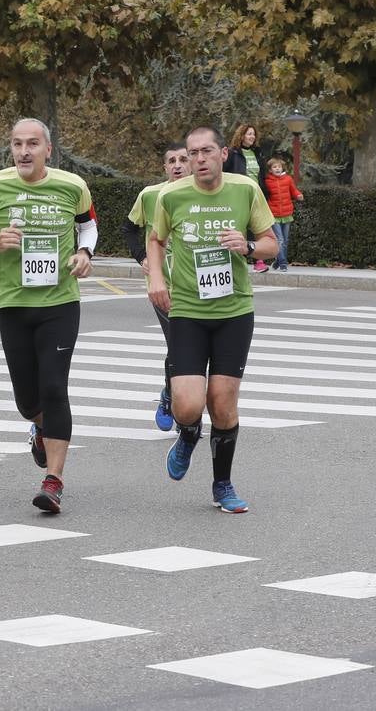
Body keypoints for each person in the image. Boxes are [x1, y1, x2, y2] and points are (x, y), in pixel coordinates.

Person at [0, 118, 97, 514]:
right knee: (27, 400)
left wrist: (84, 253)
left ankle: (53, 481)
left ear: (47, 149)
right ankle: (39, 428)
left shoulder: (72, 185)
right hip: (14, 303)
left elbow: (88, 226)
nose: (24, 151)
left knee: (54, 388)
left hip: (60, 302)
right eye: (17, 144)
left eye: (32, 144)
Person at [146, 125, 278, 514]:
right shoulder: (172, 195)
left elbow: (272, 244)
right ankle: (188, 435)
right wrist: (156, 277)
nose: (198, 159)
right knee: (187, 405)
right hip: (187, 309)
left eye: (206, 151)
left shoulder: (245, 190)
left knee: (222, 403)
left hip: (234, 311)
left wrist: (249, 245)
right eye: (191, 154)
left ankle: (223, 485)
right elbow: (156, 239)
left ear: (222, 154)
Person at [122, 141, 191, 431]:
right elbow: (129, 228)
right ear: (165, 167)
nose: (177, 165)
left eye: (183, 159)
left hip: (198, 286)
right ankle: (172, 398)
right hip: (163, 286)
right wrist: (142, 259)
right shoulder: (150, 195)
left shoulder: (207, 196)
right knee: (179, 344)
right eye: (171, 160)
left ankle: (173, 393)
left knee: (192, 347)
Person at [222, 121, 269, 272]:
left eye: (254, 134)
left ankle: (259, 261)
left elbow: (262, 175)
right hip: (237, 195)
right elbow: (223, 173)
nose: (252, 137)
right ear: (241, 136)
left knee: (257, 228)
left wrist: (265, 193)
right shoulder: (233, 153)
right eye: (249, 134)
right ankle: (236, 259)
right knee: (239, 227)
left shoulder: (258, 153)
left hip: (256, 195)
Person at [263, 157, 303, 272]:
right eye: (274, 167)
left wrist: (299, 195)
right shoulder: (267, 181)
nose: (277, 169)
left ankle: (278, 260)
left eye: (279, 167)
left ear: (282, 168)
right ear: (270, 170)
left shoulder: (288, 179)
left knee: (285, 240)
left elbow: (294, 191)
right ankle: (283, 263)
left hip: (286, 213)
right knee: (279, 240)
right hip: (274, 214)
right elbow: (265, 195)